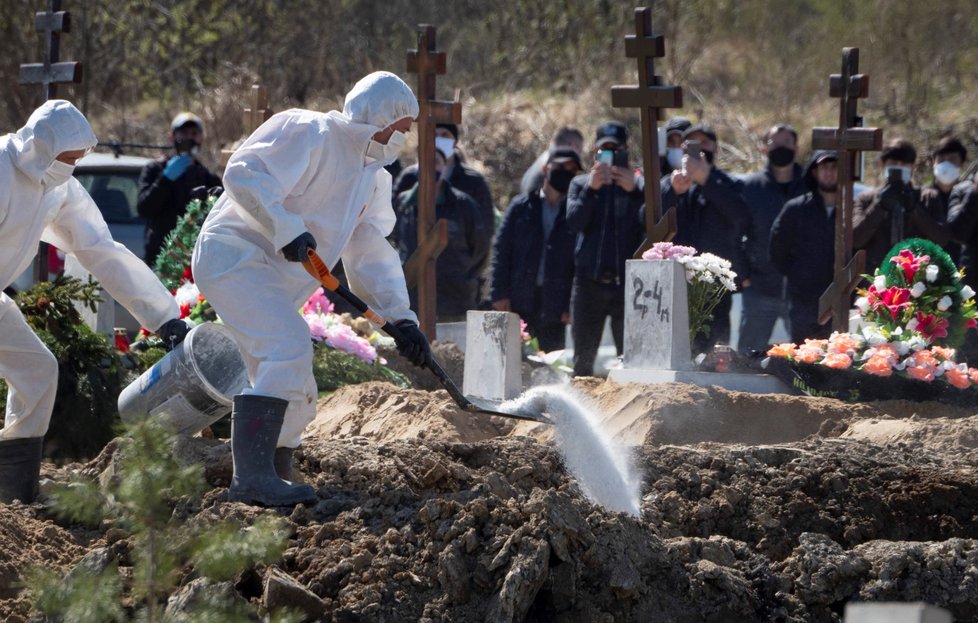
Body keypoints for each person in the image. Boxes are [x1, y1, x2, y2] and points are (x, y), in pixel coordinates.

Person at [191, 71, 433, 507]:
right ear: (377, 118)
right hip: (235, 258)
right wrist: (285, 228)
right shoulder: (309, 131)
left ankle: (276, 472)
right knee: (287, 345)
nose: (404, 136)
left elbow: (369, 248)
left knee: (296, 379)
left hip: (278, 281)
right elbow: (245, 172)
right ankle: (251, 479)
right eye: (401, 126)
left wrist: (401, 317)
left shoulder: (373, 178)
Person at [0, 100, 188, 504]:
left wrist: (164, 318)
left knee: (36, 371)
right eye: (66, 158)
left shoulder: (57, 187)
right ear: (40, 146)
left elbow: (101, 250)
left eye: (76, 160)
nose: (70, 167)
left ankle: (12, 489)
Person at [661, 123, 750, 352]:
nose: (700, 149)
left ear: (715, 149)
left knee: (716, 351)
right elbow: (647, 220)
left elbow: (740, 215)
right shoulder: (671, 182)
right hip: (678, 279)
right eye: (693, 144)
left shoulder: (729, 183)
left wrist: (706, 180)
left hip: (715, 285)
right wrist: (673, 192)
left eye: (705, 144)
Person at [566, 121, 645, 376]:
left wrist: (634, 192)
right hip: (589, 283)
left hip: (628, 285)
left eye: (615, 150)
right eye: (604, 151)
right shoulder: (580, 184)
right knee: (583, 362)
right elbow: (573, 222)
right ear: (595, 154)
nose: (610, 156)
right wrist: (592, 189)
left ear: (626, 151)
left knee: (631, 361)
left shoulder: (640, 186)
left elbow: (649, 225)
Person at [492, 146, 582, 352]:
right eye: (561, 166)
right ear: (545, 168)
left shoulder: (576, 212)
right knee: (516, 357)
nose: (565, 173)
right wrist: (499, 293)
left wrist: (572, 305)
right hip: (520, 299)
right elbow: (502, 251)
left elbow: (579, 263)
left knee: (552, 361)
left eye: (572, 170)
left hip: (556, 303)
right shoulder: (520, 207)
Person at [394, 147, 491, 322]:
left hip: (455, 301)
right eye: (424, 163)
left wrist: (463, 277)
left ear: (445, 167)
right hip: (412, 301)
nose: (430, 169)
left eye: (436, 163)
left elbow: (481, 250)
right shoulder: (403, 203)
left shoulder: (463, 205)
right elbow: (395, 240)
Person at [738, 124, 806, 354]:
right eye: (774, 143)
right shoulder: (750, 187)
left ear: (796, 148)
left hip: (801, 291)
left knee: (808, 357)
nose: (780, 148)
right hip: (759, 287)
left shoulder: (810, 185)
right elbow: (735, 233)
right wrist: (744, 276)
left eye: (786, 143)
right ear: (764, 149)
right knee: (748, 357)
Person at [853, 138, 954, 272]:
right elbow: (855, 239)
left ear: (913, 166)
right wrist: (880, 205)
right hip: (876, 279)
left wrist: (914, 209)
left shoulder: (928, 197)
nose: (899, 167)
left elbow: (942, 238)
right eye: (894, 163)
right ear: (882, 164)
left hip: (918, 282)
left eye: (905, 164)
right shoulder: (866, 199)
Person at [770, 151, 839, 343]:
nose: (829, 173)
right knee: (803, 355)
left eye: (834, 168)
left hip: (841, 300)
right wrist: (798, 274)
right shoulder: (796, 209)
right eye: (824, 168)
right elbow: (777, 249)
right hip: (803, 300)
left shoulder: (851, 209)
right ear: (815, 172)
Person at [137, 112, 222, 264]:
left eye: (194, 133)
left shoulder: (208, 178)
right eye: (183, 133)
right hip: (160, 257)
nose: (189, 138)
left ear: (201, 138)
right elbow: (144, 208)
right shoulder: (155, 170)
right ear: (172, 136)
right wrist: (165, 179)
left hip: (195, 259)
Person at [393, 122, 495, 232]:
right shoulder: (409, 177)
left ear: (455, 141)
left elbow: (485, 226)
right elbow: (394, 218)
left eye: (445, 135)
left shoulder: (473, 181)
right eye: (434, 134)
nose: (439, 139)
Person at [518, 126, 585, 196]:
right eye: (580, 149)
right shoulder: (552, 165)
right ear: (573, 146)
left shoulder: (546, 158)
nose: (579, 155)